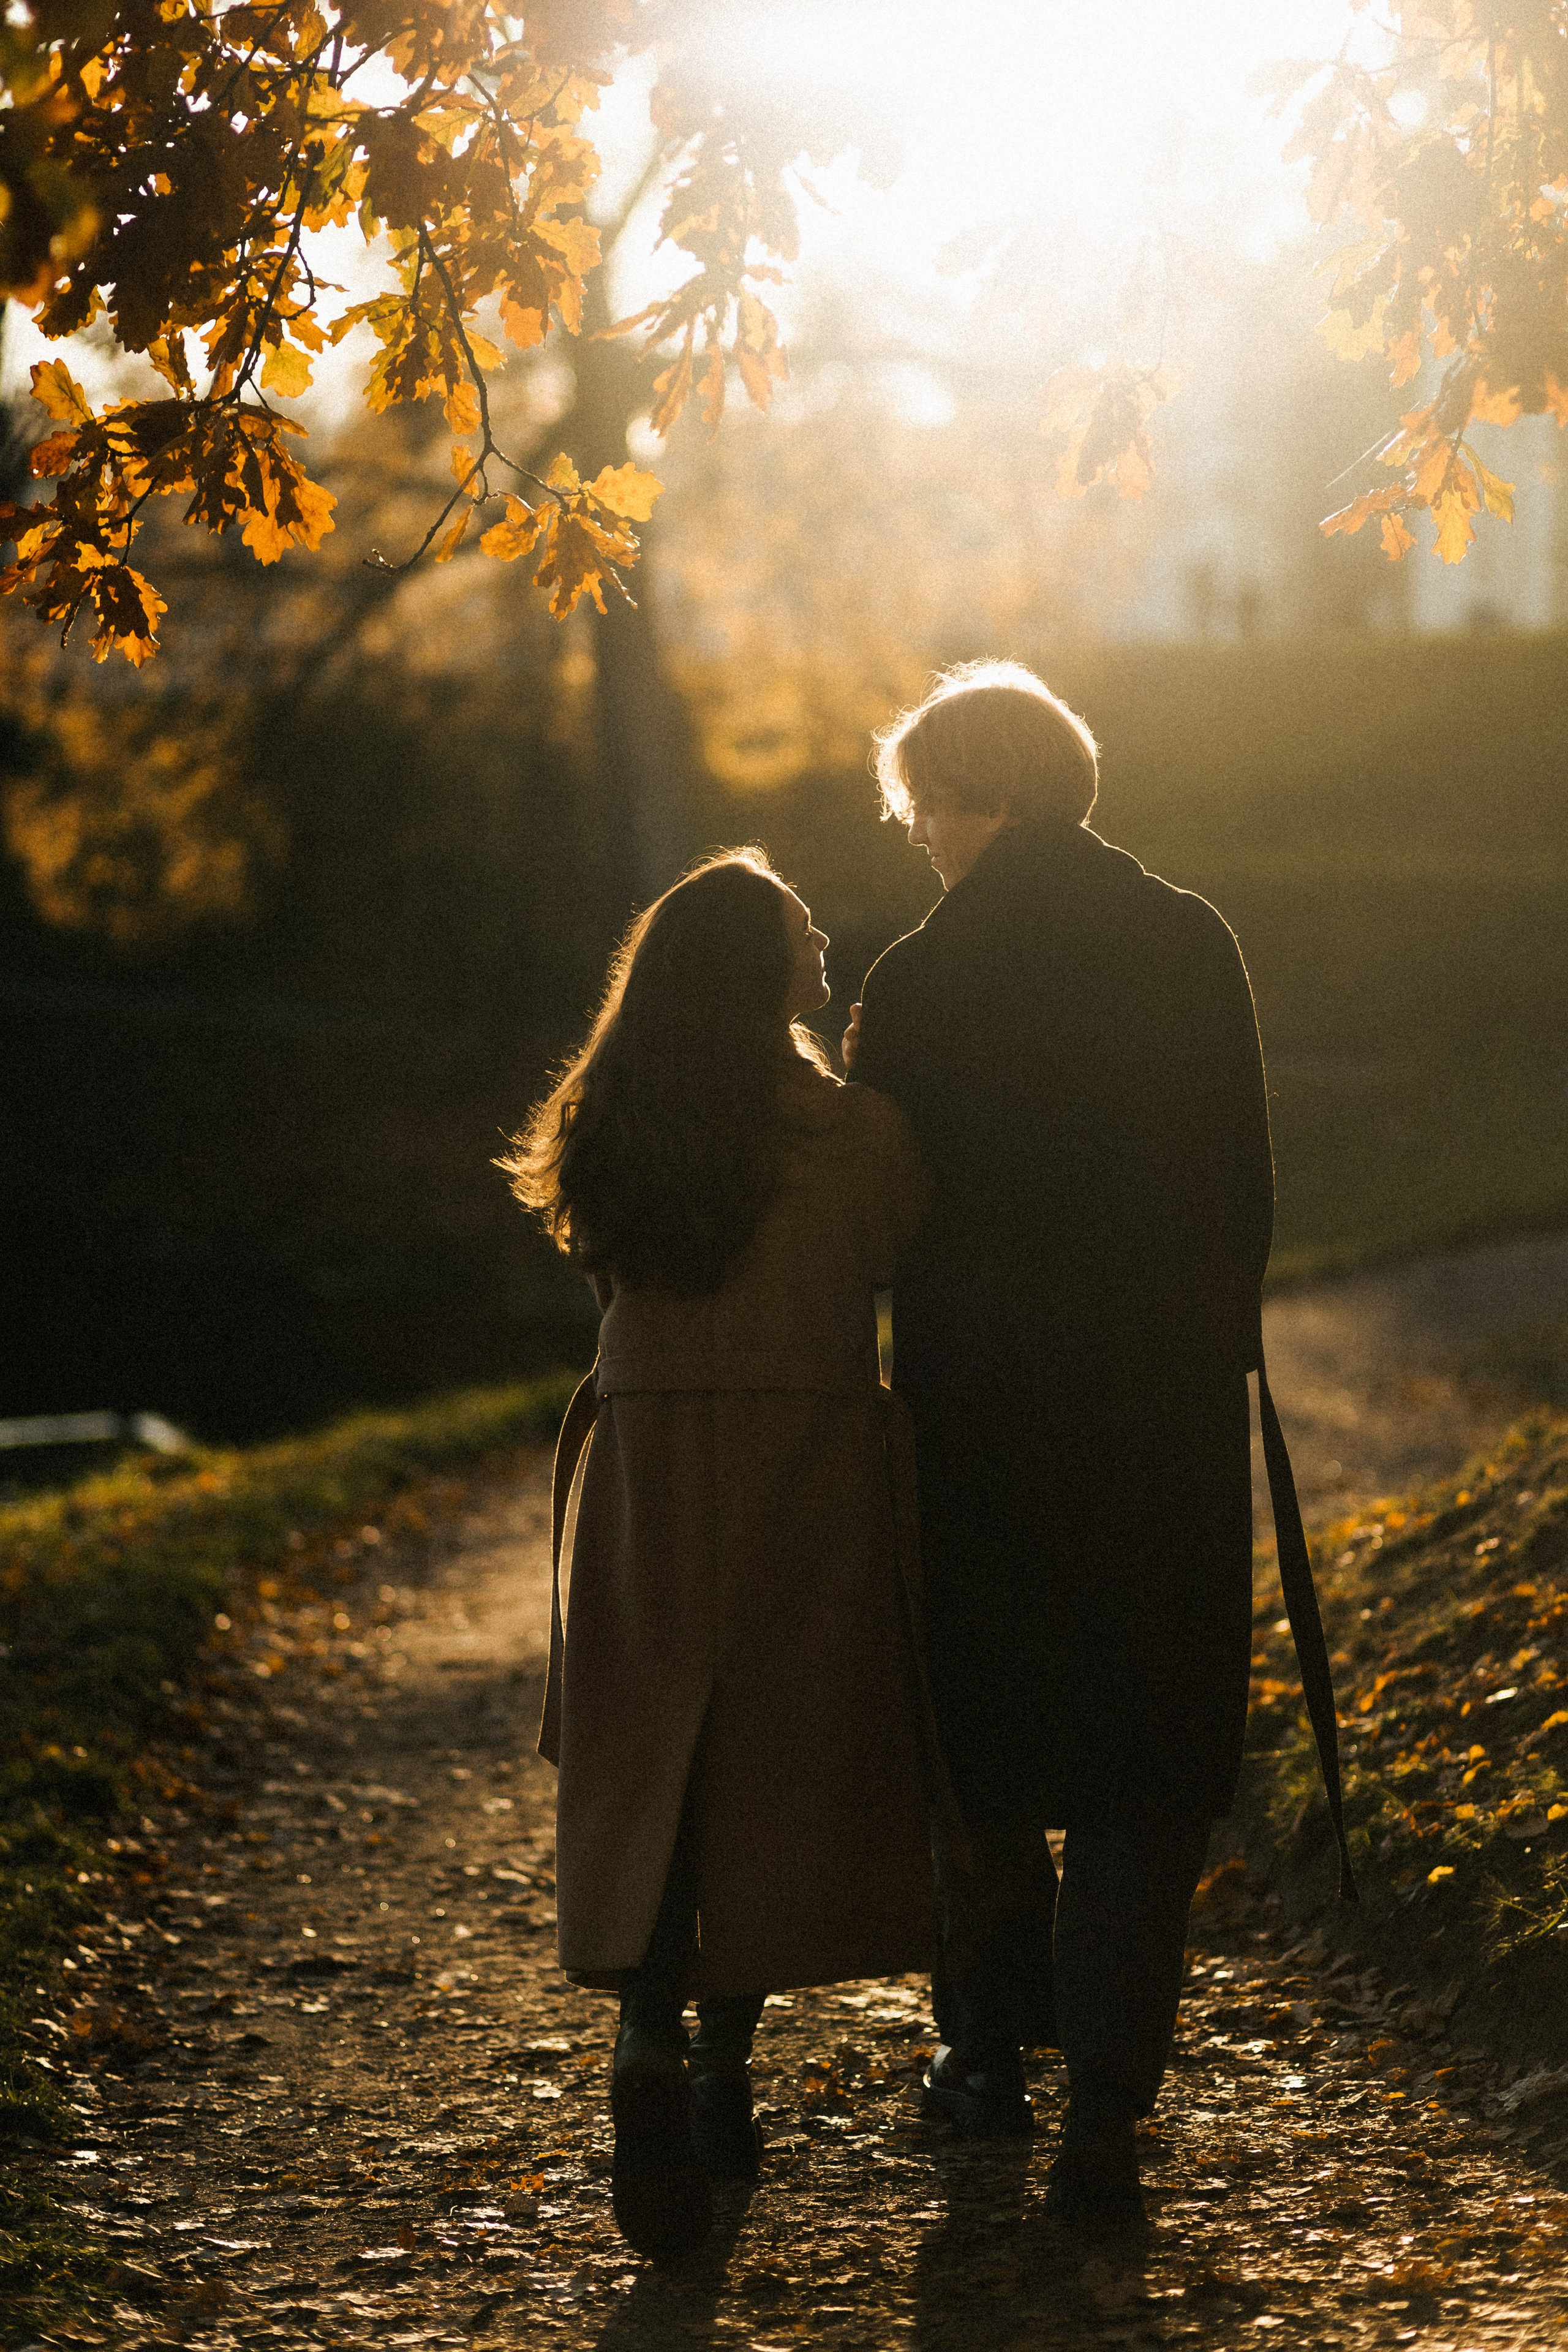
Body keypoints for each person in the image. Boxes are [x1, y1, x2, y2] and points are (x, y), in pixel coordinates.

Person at [845, 661, 1278, 2221]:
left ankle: (986, 2065)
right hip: (1156, 1417)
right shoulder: (1188, 939)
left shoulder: (917, 978)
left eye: (925, 817)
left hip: (981, 1417)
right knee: (1140, 1762)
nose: (924, 847)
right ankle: (1108, 2104)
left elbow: (876, 1219)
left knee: (989, 1749)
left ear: (982, 795)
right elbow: (1244, 1195)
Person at [503, 849, 939, 2264]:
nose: (825, 945)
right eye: (806, 933)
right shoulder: (854, 1134)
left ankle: (647, 2029)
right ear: (766, 973)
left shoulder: (606, 1118)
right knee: (764, 1762)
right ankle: (721, 2076)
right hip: (799, 1461)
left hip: (642, 1461)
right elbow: (894, 1254)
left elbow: (600, 1267)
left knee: (655, 1758)